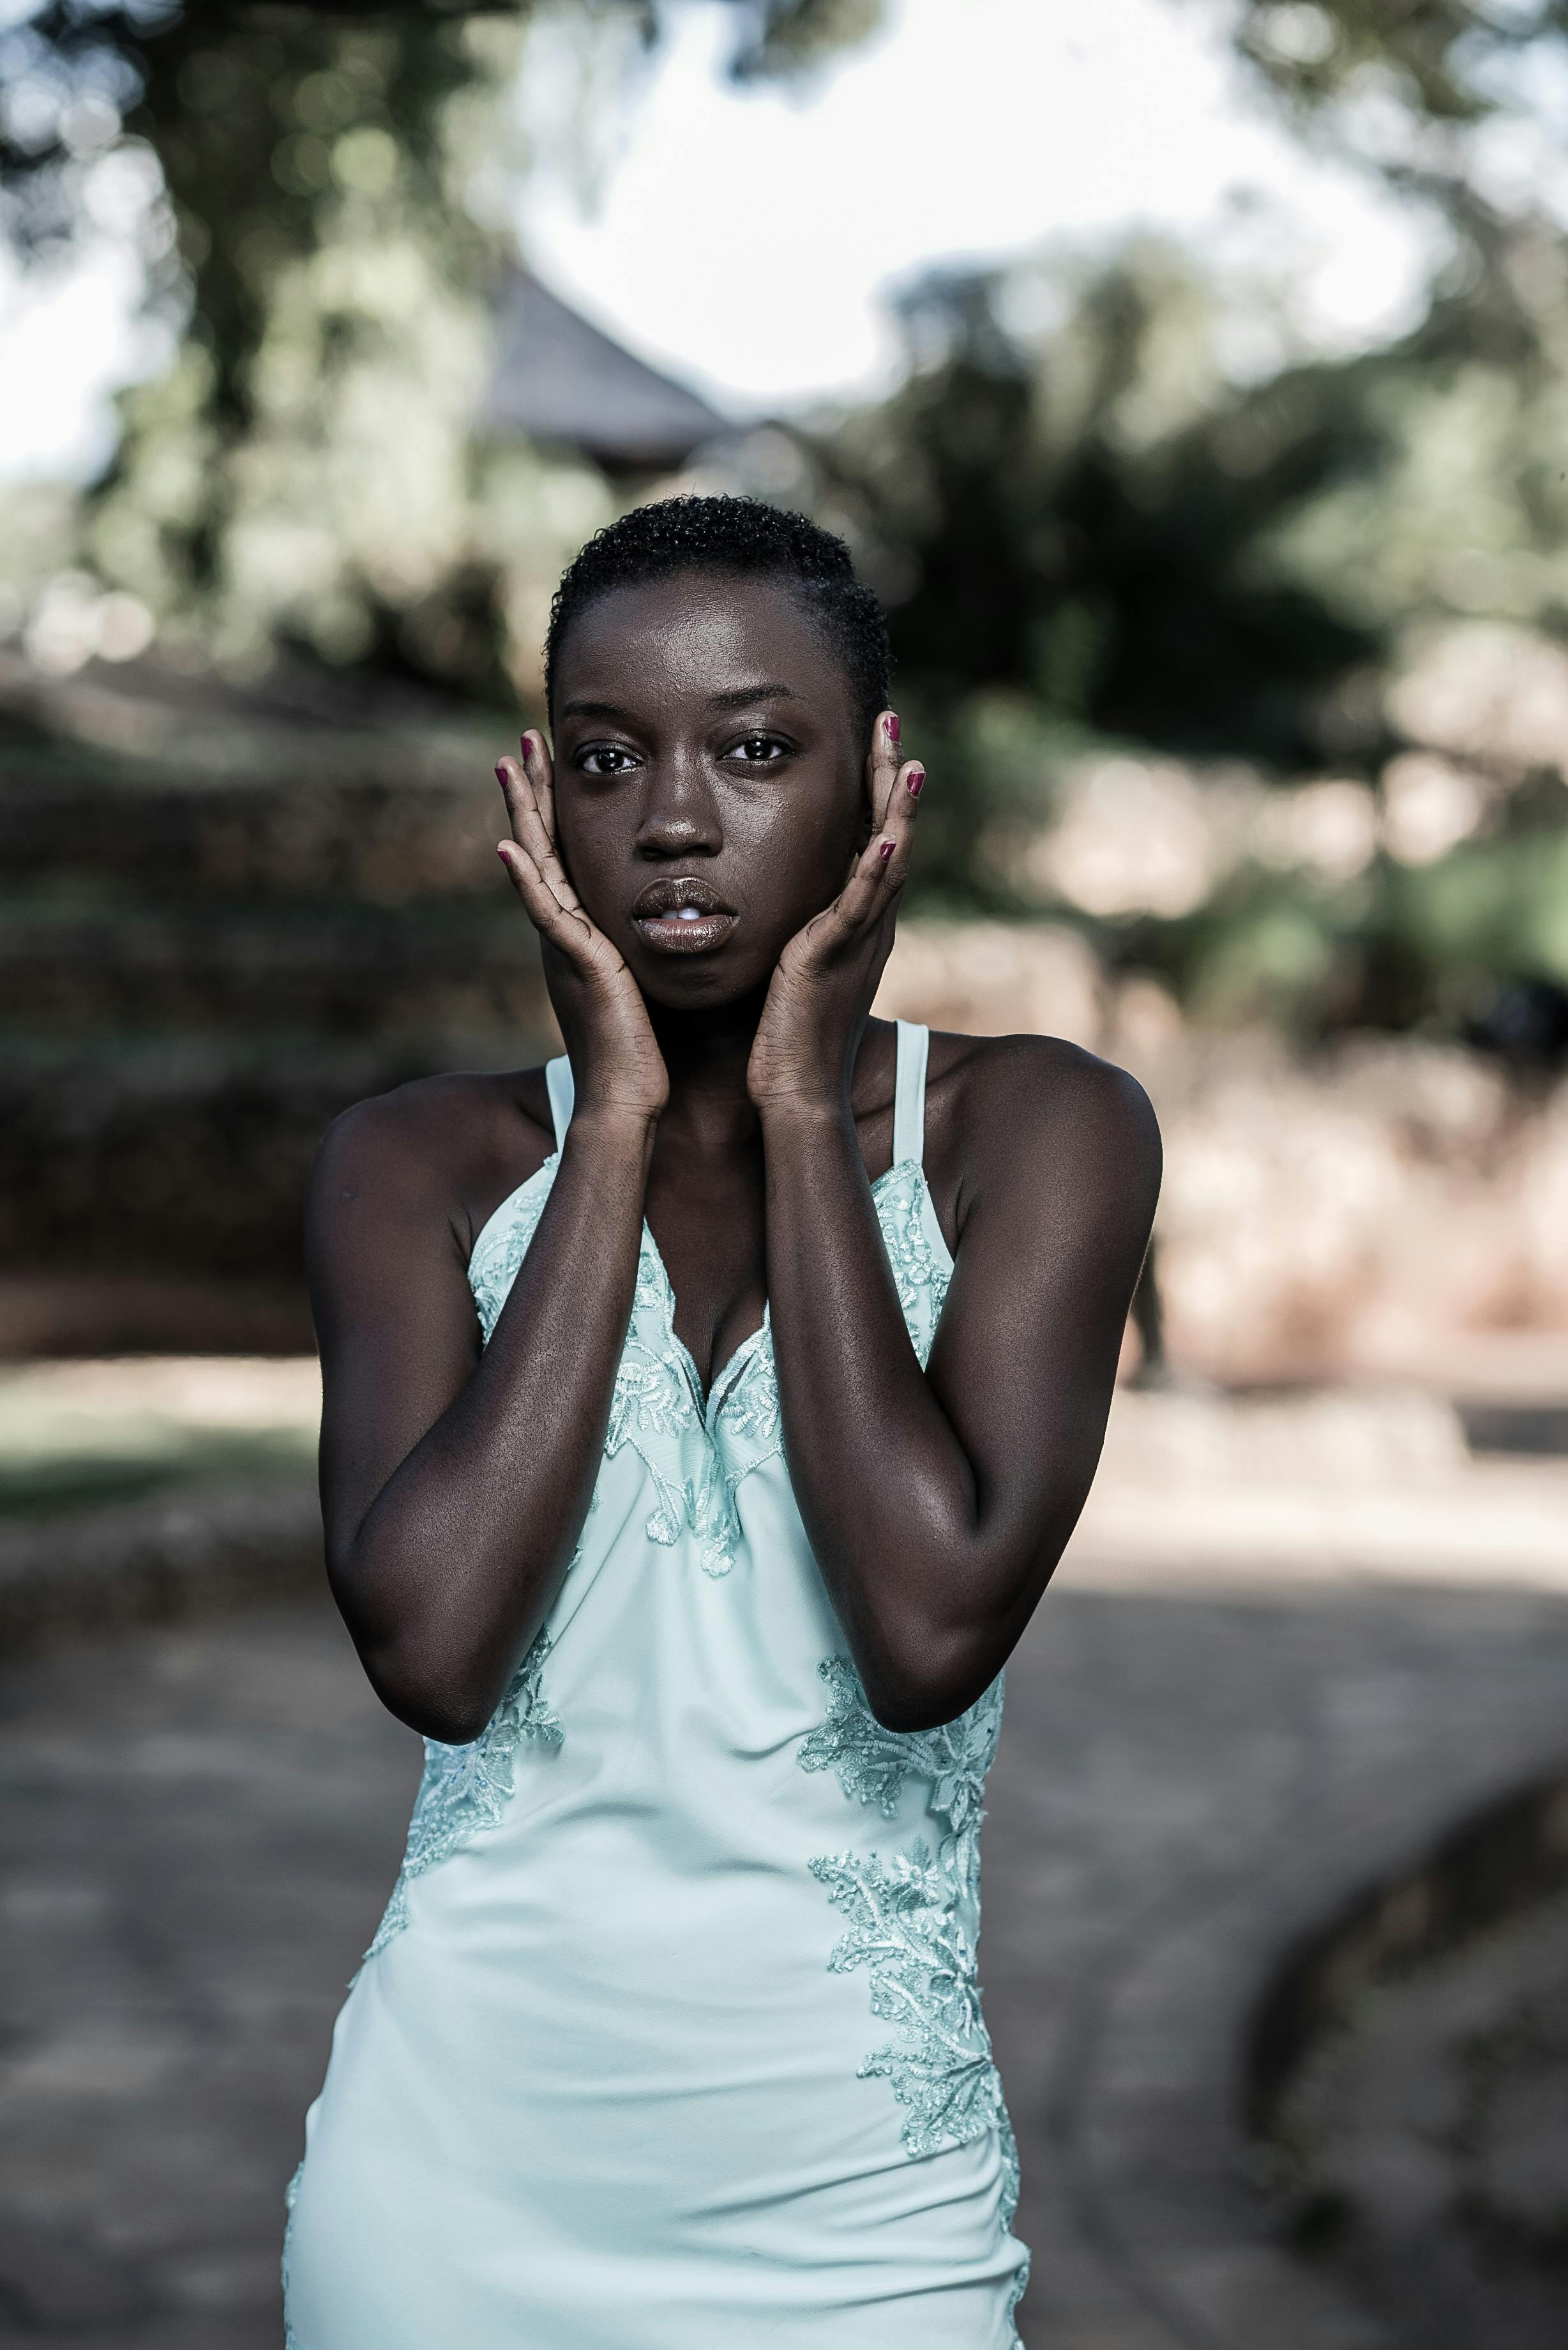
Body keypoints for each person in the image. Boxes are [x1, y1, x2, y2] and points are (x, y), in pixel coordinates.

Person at [283, 496, 1161, 2349]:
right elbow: (435, 1649)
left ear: (879, 784)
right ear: (538, 801)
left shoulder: (1037, 1137)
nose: (675, 818)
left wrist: (790, 1103)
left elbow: (926, 1630)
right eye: (610, 759)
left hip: (861, 2219)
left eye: (757, 749)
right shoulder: (419, 1168)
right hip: (451, 2201)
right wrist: (607, 1125)